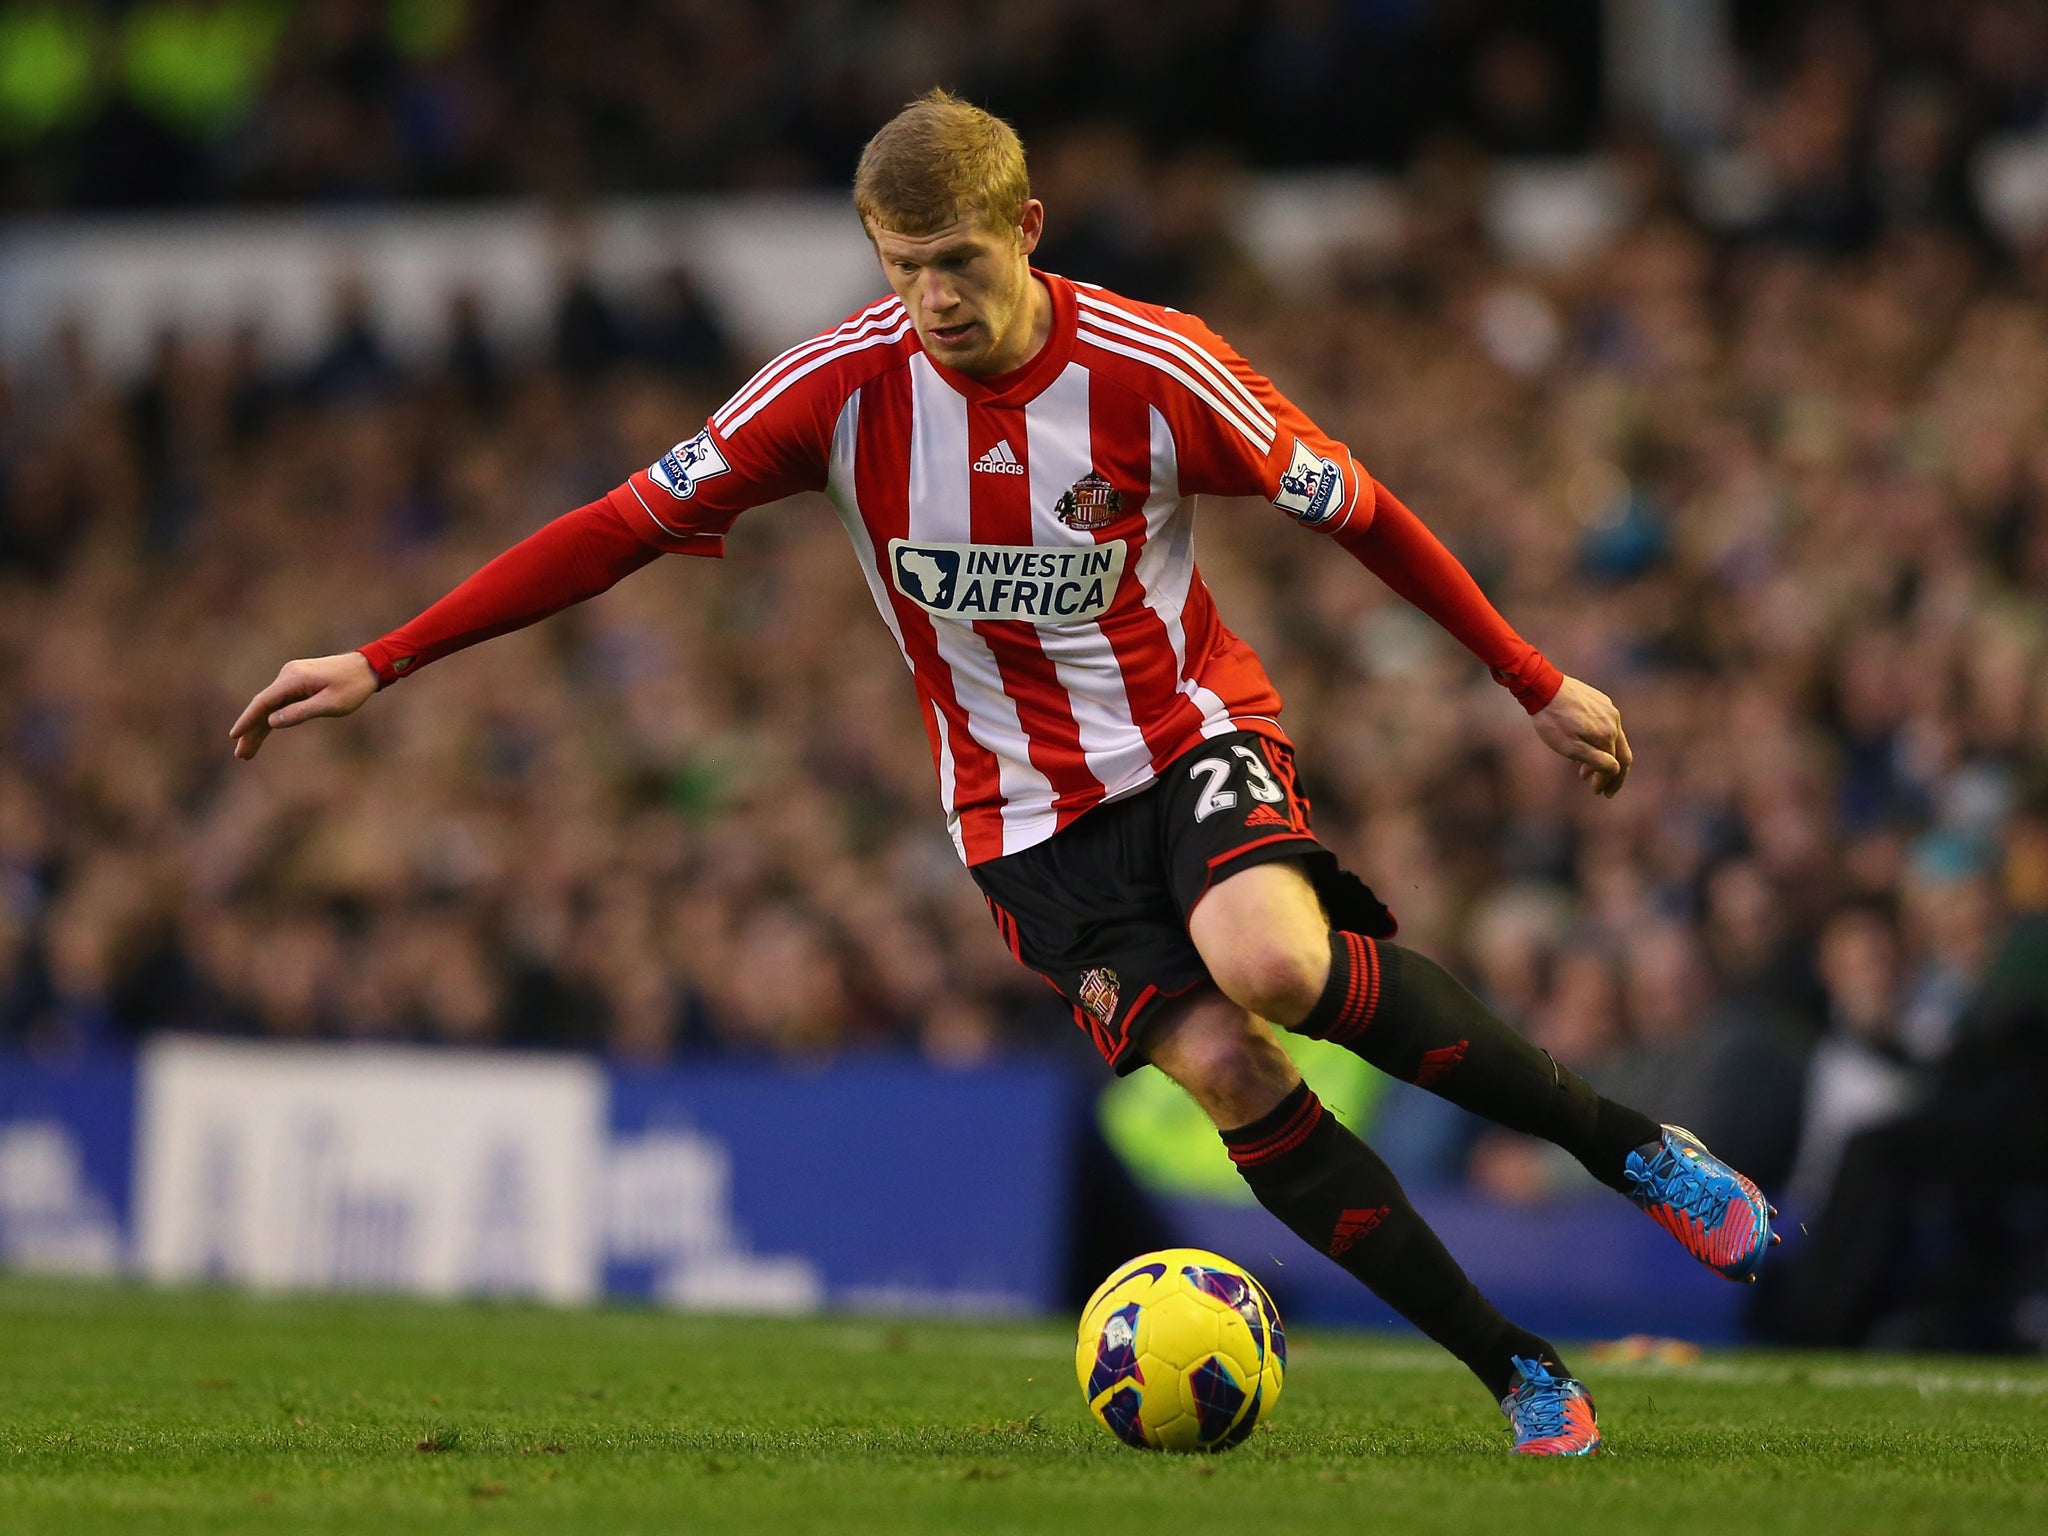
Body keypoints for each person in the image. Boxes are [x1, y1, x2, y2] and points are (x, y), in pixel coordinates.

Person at [229, 91, 1775, 1455]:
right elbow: (620, 528)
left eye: (956, 261)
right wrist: (389, 655)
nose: (930, 299)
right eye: (899, 268)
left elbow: (1357, 509)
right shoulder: (833, 391)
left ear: (1025, 229)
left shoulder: (1159, 370)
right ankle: (1516, 1370)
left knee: (1276, 962)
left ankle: (1633, 1149)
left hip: (1186, 741)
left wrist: (1530, 677)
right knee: (1230, 1072)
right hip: (1022, 827)